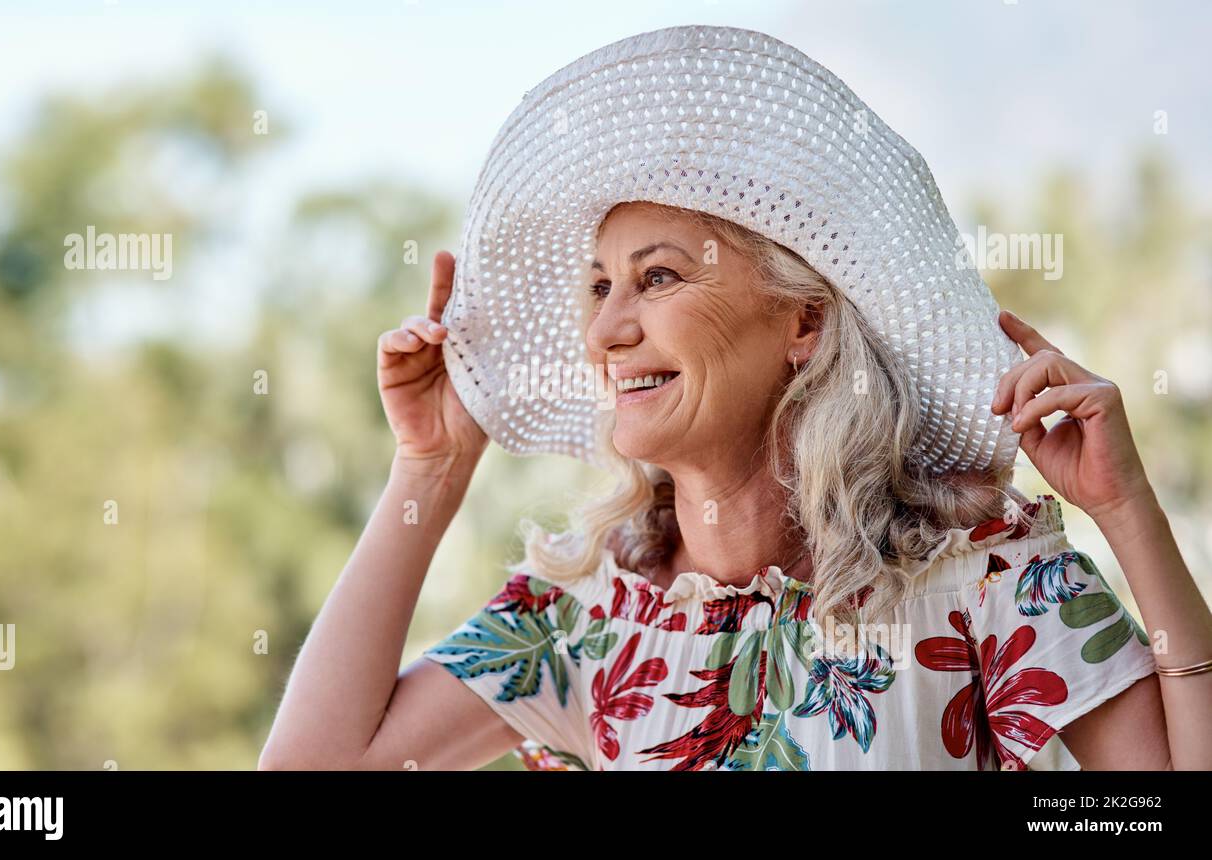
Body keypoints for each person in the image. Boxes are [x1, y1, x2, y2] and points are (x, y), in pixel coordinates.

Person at [259, 26, 1212, 771]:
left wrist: (1126, 513)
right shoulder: (586, 616)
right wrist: (432, 467)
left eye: (659, 278)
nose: (606, 330)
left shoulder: (984, 579)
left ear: (801, 322)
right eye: (599, 287)